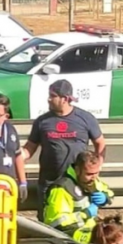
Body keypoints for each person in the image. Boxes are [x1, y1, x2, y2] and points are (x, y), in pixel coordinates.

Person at [22, 80, 107, 214]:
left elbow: (100, 143)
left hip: (76, 182)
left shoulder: (85, 118)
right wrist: (17, 156)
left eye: (53, 95)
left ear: (65, 99)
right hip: (49, 183)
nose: (48, 99)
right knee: (48, 223)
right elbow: (29, 148)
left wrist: (97, 167)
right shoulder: (42, 121)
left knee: (76, 222)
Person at [41, 150, 114, 244]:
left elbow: (108, 192)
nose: (94, 177)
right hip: (68, 238)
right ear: (77, 170)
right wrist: (86, 214)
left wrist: (105, 196)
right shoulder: (62, 189)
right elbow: (56, 223)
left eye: (96, 173)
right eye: (89, 174)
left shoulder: (90, 180)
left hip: (87, 231)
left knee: (115, 235)